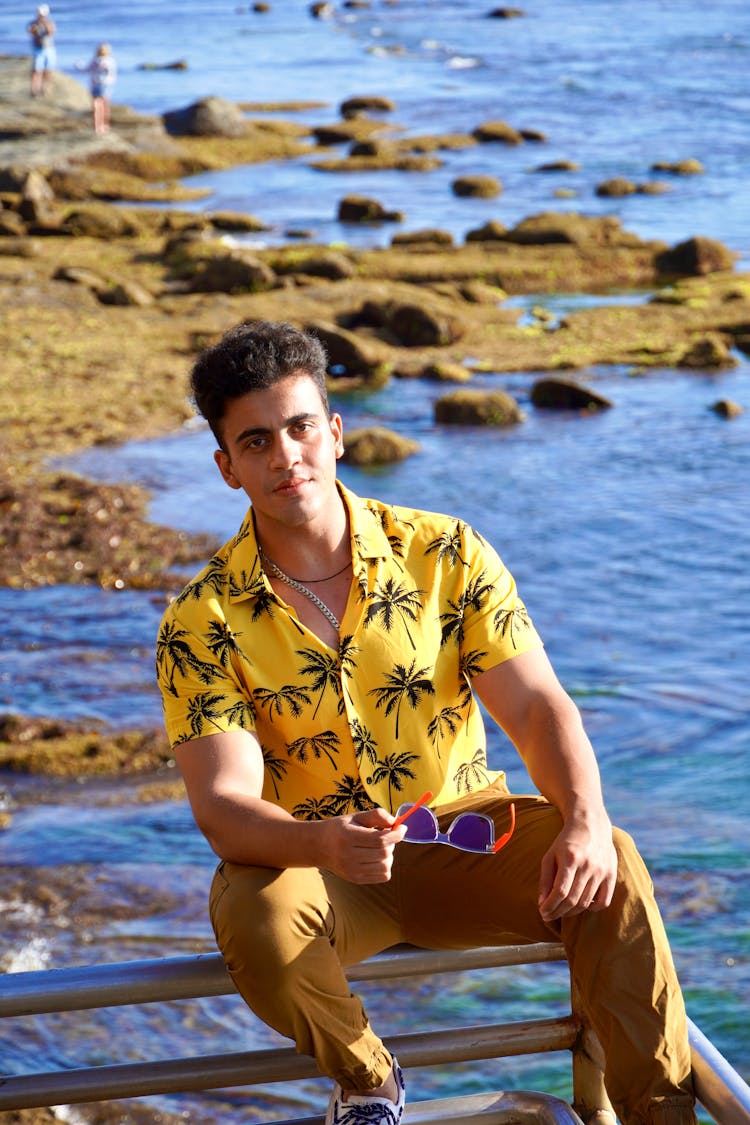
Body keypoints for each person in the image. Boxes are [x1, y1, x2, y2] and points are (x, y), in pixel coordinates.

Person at [156, 320, 698, 1125]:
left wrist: (584, 819)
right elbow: (225, 808)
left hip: (471, 839)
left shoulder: (444, 552)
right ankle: (371, 1081)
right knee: (253, 912)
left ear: (336, 432)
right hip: (326, 867)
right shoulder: (200, 619)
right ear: (227, 466)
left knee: (612, 862)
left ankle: (663, 1117)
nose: (286, 456)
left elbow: (538, 705)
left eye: (301, 427)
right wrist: (324, 842)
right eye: (258, 440)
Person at [84, 43, 116, 134]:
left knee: (98, 106)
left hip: (100, 85)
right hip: (105, 85)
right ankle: (103, 125)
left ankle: (99, 126)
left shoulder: (99, 61)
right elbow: (113, 75)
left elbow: (88, 69)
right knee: (104, 106)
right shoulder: (110, 61)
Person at [27, 4, 56, 97]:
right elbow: (31, 32)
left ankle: (45, 89)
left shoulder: (49, 22)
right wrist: (37, 26)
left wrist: (45, 24)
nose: (41, 16)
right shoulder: (33, 23)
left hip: (49, 49)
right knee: (36, 70)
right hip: (38, 49)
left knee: (48, 70)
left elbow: (51, 32)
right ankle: (34, 90)